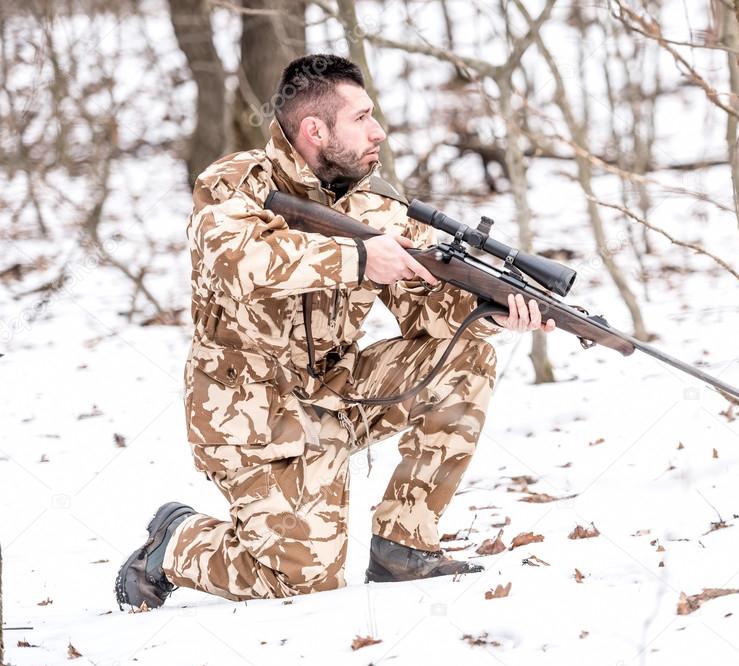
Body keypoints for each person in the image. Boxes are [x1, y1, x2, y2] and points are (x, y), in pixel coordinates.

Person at [115, 54, 554, 609]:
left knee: (465, 353)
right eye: (363, 118)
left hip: (338, 394)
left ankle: (404, 547)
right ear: (315, 130)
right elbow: (235, 261)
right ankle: (176, 543)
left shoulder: (376, 206)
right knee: (302, 584)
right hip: (253, 417)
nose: (379, 131)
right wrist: (358, 259)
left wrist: (488, 310)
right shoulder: (234, 184)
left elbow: (429, 318)